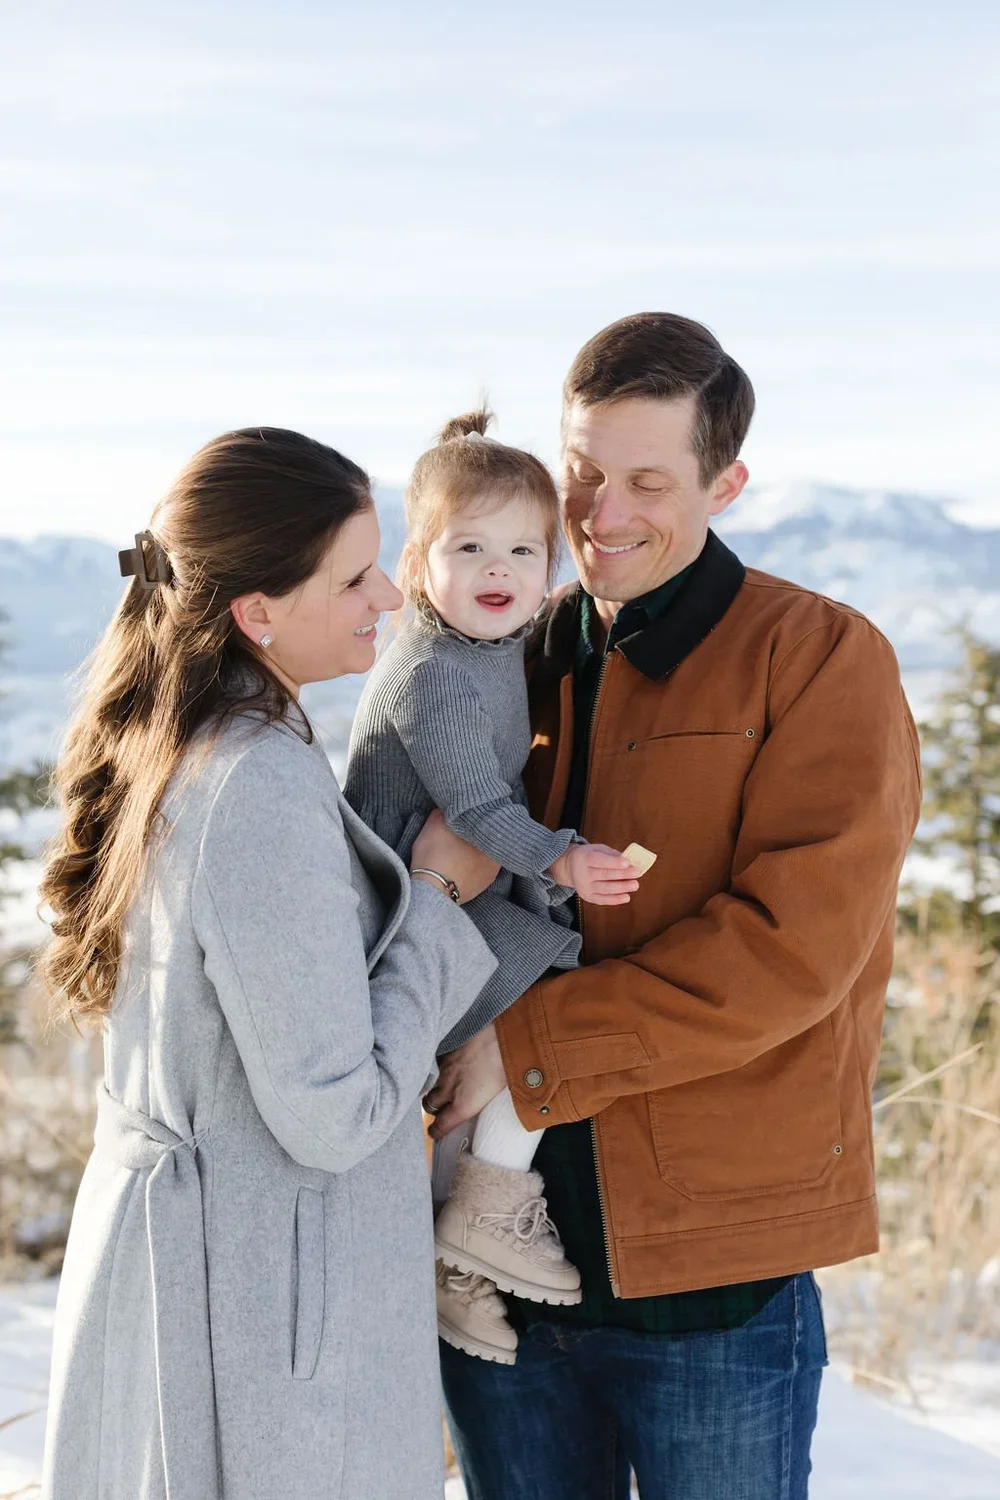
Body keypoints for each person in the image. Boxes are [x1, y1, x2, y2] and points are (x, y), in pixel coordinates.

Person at [426, 313, 923, 1500]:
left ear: (726, 482)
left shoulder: (816, 658)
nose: (600, 517)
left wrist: (525, 1049)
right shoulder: (509, 646)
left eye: (646, 482)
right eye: (581, 474)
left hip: (709, 1277)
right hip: (497, 1265)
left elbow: (791, 952)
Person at [36, 427, 501, 1500]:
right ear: (258, 613)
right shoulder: (259, 784)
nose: (388, 593)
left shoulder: (181, 742)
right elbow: (332, 1113)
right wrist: (435, 899)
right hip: (269, 1324)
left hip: (197, 1281)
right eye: (350, 576)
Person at [344, 408, 640, 1365]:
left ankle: (458, 1258)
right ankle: (482, 1215)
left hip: (465, 891)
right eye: (469, 547)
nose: (499, 570)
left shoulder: (493, 641)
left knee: (510, 1041)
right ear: (419, 559)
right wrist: (562, 859)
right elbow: (473, 806)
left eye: (523, 548)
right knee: (534, 1024)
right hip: (414, 901)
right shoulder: (432, 673)